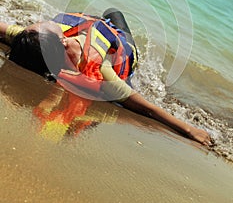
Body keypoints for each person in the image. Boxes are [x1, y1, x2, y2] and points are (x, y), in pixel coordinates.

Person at [0, 8, 213, 146]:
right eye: (45, 25)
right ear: (63, 42)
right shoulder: (100, 71)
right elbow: (147, 108)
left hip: (93, 30)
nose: (41, 21)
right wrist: (190, 130)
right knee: (115, 12)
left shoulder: (31, 42)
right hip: (123, 45)